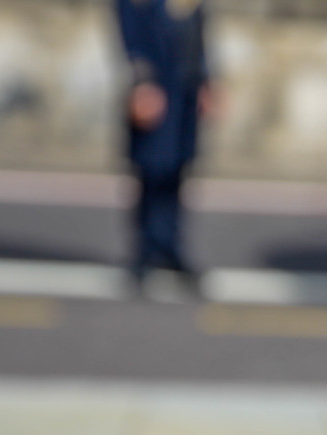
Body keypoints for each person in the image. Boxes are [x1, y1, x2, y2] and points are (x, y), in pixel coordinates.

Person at [115, 0, 212, 292]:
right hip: (157, 84)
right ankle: (145, 251)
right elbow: (130, 27)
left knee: (177, 169)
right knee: (150, 168)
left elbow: (198, 29)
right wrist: (141, 82)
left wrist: (206, 79)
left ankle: (169, 248)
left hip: (185, 86)